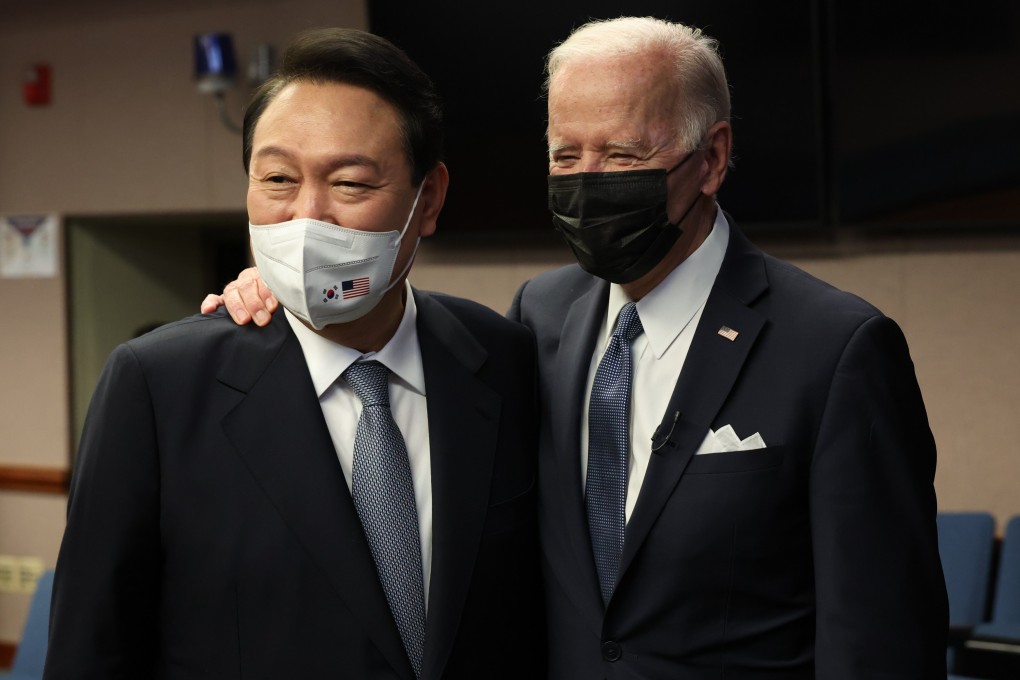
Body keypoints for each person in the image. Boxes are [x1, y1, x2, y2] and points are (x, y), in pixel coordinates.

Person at [207, 17, 948, 677]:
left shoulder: (837, 347)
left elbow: (879, 636)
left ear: (713, 157)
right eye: (566, 157)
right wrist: (288, 288)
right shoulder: (539, 318)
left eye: (621, 156)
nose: (588, 184)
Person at [46, 28, 543, 680]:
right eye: (278, 178)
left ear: (429, 199)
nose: (307, 217)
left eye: (350, 183)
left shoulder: (501, 359)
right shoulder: (160, 386)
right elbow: (93, 648)